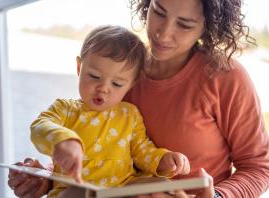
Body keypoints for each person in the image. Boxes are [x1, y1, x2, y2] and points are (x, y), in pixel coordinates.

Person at [8, 0, 269, 197]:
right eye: (158, 11)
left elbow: (258, 168)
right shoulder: (121, 72)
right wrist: (43, 177)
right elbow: (99, 153)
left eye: (184, 24)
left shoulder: (226, 77)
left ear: (207, 27)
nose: (163, 33)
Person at [26, 25, 190, 198]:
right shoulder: (65, 109)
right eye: (94, 76)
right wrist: (63, 140)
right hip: (76, 187)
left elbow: (143, 150)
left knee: (162, 185)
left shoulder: (130, 114)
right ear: (79, 67)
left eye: (117, 84)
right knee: (78, 193)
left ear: (131, 84)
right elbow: (39, 126)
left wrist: (163, 160)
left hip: (123, 188)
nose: (103, 88)